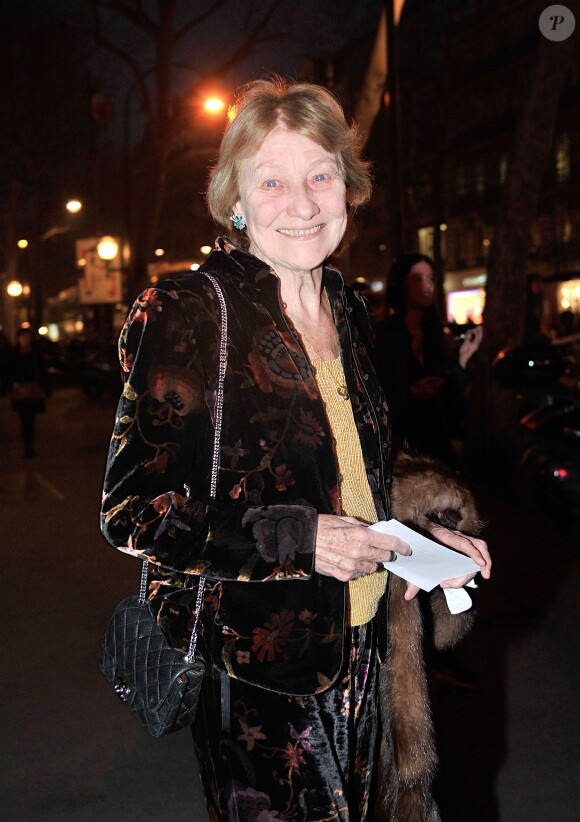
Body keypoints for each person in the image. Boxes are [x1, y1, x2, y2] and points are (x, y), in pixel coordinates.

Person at [100, 78, 491, 820]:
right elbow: (134, 513)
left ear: (348, 186)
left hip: (374, 655)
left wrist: (426, 532)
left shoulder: (347, 305)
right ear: (236, 200)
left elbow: (358, 465)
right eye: (273, 181)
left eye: (321, 175)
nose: (304, 204)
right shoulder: (191, 312)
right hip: (262, 682)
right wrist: (300, 540)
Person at [374, 253, 483, 468]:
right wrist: (410, 394)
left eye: (431, 278)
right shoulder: (385, 336)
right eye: (418, 278)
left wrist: (462, 361)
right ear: (401, 283)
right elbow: (378, 400)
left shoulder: (436, 335)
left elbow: (450, 397)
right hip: (402, 451)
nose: (427, 285)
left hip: (438, 450)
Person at [5, 326, 51, 458]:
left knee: (30, 418)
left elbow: (42, 372)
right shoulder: (13, 353)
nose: (25, 340)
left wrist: (46, 389)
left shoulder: (35, 353)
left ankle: (29, 445)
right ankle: (27, 445)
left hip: (32, 389)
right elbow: (7, 370)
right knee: (24, 418)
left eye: (27, 338)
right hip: (19, 389)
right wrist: (11, 384)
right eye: (23, 338)